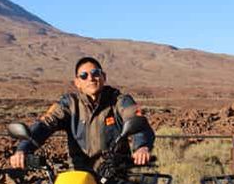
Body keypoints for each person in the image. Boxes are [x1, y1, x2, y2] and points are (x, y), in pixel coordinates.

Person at [9, 56, 155, 172]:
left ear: (104, 77)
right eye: (84, 75)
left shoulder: (119, 101)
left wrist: (141, 147)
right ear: (77, 82)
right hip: (79, 177)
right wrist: (23, 149)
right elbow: (44, 125)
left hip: (115, 176)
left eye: (95, 73)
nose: (90, 78)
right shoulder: (69, 104)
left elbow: (137, 120)